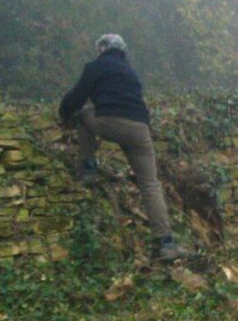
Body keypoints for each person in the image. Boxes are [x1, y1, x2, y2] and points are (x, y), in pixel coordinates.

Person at [59, 34, 188, 261]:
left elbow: (76, 98)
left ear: (103, 49)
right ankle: (166, 243)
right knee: (150, 185)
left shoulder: (96, 67)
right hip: (140, 130)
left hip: (110, 123)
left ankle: (88, 168)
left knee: (83, 114)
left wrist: (63, 114)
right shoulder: (131, 72)